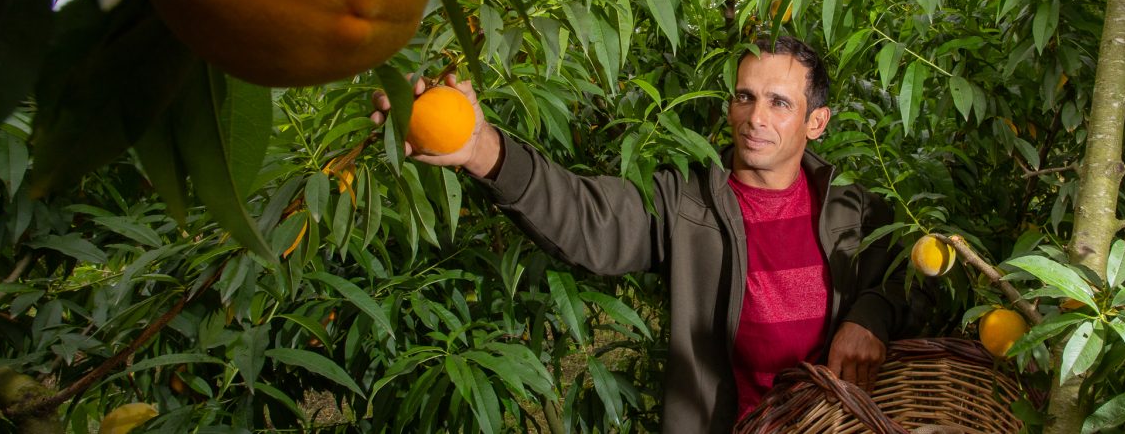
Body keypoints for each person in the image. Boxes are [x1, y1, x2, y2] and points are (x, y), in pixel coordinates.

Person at [371, 35, 927, 433]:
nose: (755, 117)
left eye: (780, 102)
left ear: (817, 121)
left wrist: (869, 314)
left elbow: (921, 280)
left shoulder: (852, 212)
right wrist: (483, 150)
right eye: (744, 96)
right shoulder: (685, 203)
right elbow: (588, 215)